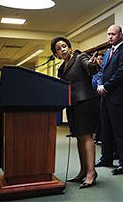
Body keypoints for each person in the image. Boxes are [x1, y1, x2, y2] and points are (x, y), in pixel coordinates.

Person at [50, 36, 98, 189]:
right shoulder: (61, 68)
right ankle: (83, 170)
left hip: (85, 102)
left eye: (64, 46)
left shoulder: (80, 57)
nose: (62, 49)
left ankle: (91, 173)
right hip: (72, 105)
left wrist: (92, 64)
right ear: (56, 54)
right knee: (79, 138)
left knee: (86, 137)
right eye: (58, 48)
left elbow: (90, 67)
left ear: (69, 47)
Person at [94, 24, 123, 175]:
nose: (110, 37)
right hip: (106, 98)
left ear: (121, 36)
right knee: (106, 129)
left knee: (121, 131)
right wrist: (99, 84)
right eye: (108, 34)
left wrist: (106, 87)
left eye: (113, 34)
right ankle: (106, 158)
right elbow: (103, 71)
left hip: (118, 98)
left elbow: (121, 74)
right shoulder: (107, 52)